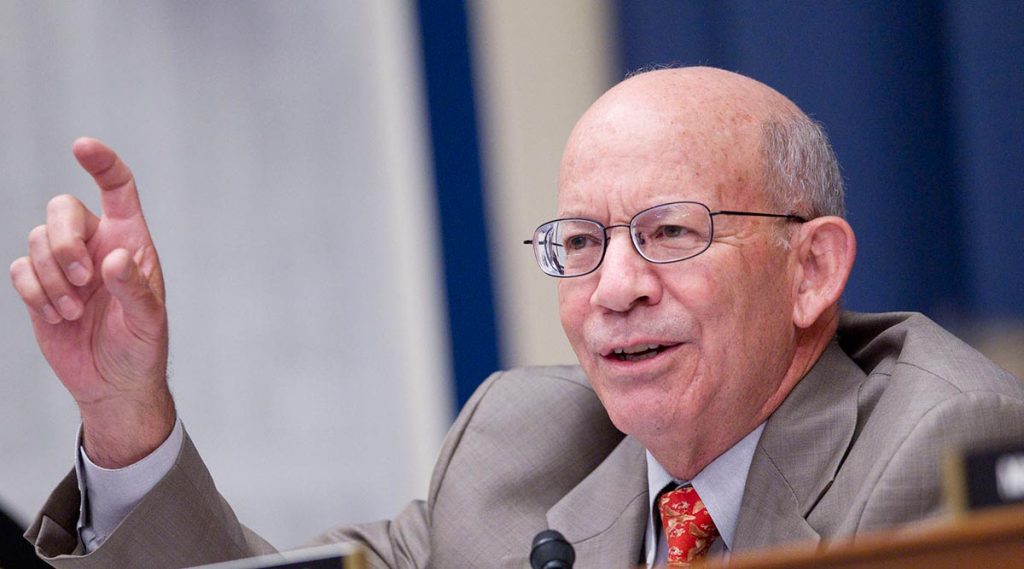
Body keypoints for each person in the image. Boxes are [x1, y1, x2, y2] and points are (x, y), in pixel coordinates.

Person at [12, 67, 1024, 568]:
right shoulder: (518, 444)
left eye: (669, 232)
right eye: (579, 242)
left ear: (810, 269)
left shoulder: (934, 445)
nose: (614, 287)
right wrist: (126, 407)